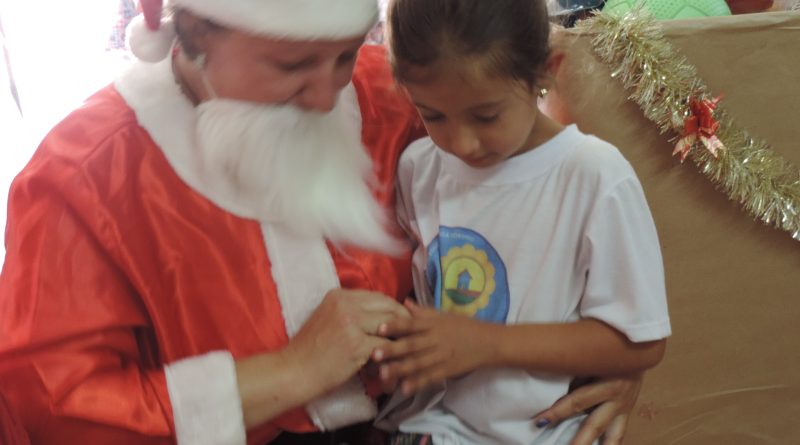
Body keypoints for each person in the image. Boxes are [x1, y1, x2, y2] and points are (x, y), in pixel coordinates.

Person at [0, 0, 651, 444]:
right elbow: (56, 405)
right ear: (195, 33)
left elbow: (538, 157)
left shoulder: (393, 94)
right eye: (289, 66)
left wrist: (607, 353)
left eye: (343, 55)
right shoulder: (85, 178)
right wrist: (291, 371)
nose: (325, 95)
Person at [371, 0, 671, 444]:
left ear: (545, 73)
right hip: (431, 428)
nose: (461, 142)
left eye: (486, 115)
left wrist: (487, 344)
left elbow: (642, 343)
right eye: (432, 115)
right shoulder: (419, 168)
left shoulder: (594, 177)